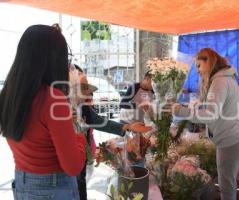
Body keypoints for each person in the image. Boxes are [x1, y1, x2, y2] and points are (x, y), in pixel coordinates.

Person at [0, 25, 86, 199]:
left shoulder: (8, 94)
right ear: (54, 59)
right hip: (53, 189)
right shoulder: (53, 98)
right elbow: (73, 166)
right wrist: (79, 133)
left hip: (22, 184)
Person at [174, 48, 239, 200]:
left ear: (208, 62)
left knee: (226, 184)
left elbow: (211, 115)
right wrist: (198, 104)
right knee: (227, 180)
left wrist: (181, 111)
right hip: (234, 136)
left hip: (231, 140)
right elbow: (214, 107)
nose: (197, 70)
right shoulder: (224, 78)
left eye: (198, 66)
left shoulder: (219, 81)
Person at [71, 66, 151, 200]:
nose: (88, 95)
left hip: (81, 163)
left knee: (81, 188)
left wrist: (128, 127)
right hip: (68, 167)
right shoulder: (63, 110)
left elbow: (102, 122)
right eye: (84, 89)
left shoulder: (83, 109)